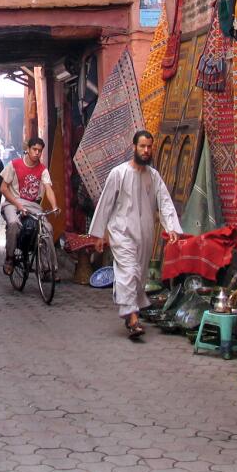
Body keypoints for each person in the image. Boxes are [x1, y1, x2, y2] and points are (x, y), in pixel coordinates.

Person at [89, 130, 182, 339]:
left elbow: (164, 202)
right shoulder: (118, 173)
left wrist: (171, 228)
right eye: (142, 146)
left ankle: (130, 309)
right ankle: (132, 319)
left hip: (145, 233)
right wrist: (99, 234)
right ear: (134, 147)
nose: (146, 150)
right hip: (121, 232)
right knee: (128, 272)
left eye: (149, 147)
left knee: (138, 275)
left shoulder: (154, 176)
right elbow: (105, 204)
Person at [0, 136, 60, 278]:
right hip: (12, 203)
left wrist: (55, 206)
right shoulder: (14, 165)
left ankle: (47, 269)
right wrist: (18, 204)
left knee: (47, 229)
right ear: (27, 149)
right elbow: (3, 188)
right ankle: (9, 258)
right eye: (34, 149)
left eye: (40, 151)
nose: (37, 153)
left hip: (33, 205)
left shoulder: (43, 170)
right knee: (14, 223)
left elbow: (48, 189)